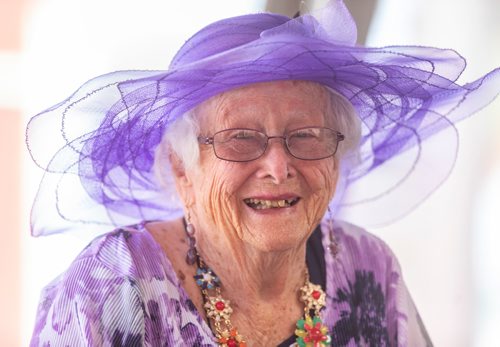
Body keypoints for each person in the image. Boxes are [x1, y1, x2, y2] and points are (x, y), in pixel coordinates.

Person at [27, 1, 498, 346]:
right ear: (182, 167)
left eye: (308, 135)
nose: (277, 167)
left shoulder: (368, 268)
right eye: (240, 138)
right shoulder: (112, 285)